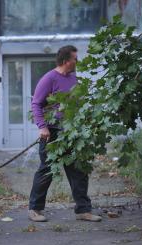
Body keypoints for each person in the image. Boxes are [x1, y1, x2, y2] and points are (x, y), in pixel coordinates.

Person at [28, 45, 102, 222]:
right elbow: (36, 104)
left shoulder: (73, 78)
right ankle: (34, 209)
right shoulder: (49, 78)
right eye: (75, 58)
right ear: (66, 61)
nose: (77, 61)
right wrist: (42, 127)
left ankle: (83, 210)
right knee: (47, 170)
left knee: (79, 171)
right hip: (52, 132)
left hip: (72, 131)